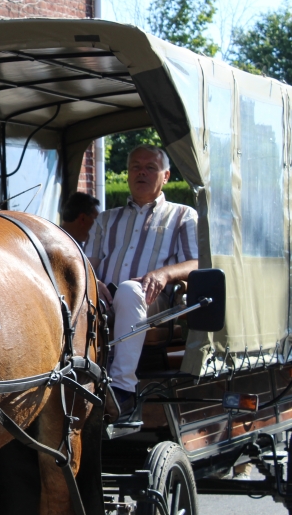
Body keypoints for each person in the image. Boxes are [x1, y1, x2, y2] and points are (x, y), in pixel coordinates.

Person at [85, 145, 198, 418]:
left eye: (150, 167)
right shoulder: (106, 219)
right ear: (127, 174)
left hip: (154, 303)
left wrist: (164, 274)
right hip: (104, 299)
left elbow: (196, 263)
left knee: (129, 290)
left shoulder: (183, 215)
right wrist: (93, 280)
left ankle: (123, 389)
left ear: (166, 175)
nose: (142, 172)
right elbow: (86, 262)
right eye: (136, 166)